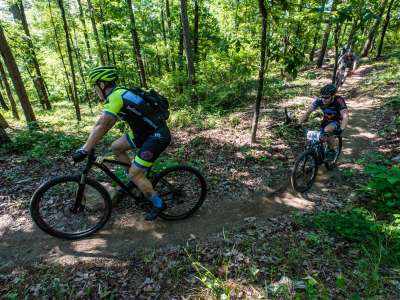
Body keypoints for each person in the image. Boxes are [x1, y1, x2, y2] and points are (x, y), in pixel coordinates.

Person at [72, 66, 171, 221]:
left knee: (135, 173)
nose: (94, 90)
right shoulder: (119, 94)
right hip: (143, 133)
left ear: (102, 85)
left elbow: (102, 125)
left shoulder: (116, 96)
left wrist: (85, 149)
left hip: (156, 136)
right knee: (116, 147)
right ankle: (135, 181)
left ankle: (158, 204)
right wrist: (89, 143)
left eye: (95, 86)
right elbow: (103, 123)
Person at [299, 84, 349, 161]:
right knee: (314, 139)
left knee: (327, 130)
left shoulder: (339, 100)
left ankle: (332, 151)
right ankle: (316, 157)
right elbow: (307, 113)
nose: (323, 99)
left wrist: (341, 129)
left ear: (333, 96)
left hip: (337, 120)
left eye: (326, 97)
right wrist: (298, 124)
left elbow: (345, 116)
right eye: (322, 97)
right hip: (325, 121)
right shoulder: (319, 100)